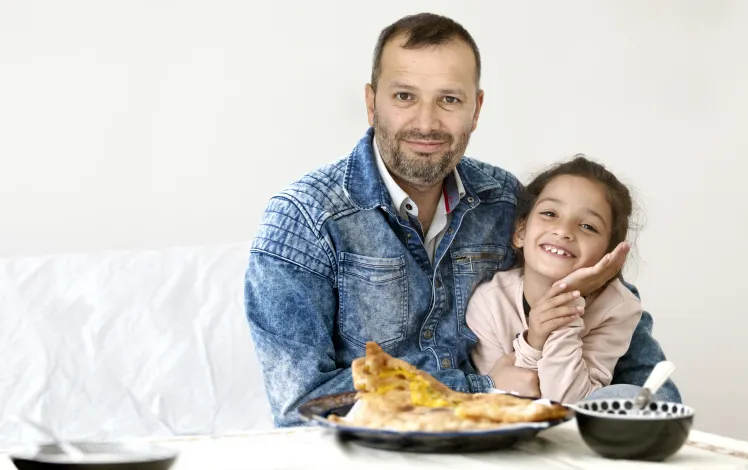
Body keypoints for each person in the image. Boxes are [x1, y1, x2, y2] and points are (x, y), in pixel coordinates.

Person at [244, 12, 680, 427]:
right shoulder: (303, 220)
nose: (427, 122)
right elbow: (303, 405)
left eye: (449, 99)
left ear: (477, 108)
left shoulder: (505, 201)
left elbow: (610, 313)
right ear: (371, 103)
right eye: (404, 96)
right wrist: (480, 390)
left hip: (514, 448)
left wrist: (660, 420)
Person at [467, 155, 673, 404]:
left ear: (608, 255)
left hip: (577, 436)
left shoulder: (618, 308)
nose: (564, 231)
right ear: (521, 232)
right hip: (510, 435)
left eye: (588, 226)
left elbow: (573, 403)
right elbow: (502, 403)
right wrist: (534, 341)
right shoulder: (489, 302)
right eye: (550, 213)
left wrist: (563, 316)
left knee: (631, 399)